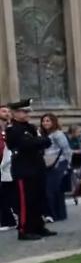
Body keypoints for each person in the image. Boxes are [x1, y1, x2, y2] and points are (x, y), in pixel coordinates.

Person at [6, 100, 55, 241]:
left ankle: (38, 226)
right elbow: (25, 144)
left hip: (37, 168)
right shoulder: (13, 129)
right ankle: (24, 230)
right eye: (24, 111)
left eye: (28, 111)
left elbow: (46, 141)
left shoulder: (31, 127)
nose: (27, 114)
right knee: (25, 202)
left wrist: (37, 141)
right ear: (15, 113)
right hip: (24, 170)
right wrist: (37, 141)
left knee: (37, 199)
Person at [40, 113, 71, 223]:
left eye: (48, 121)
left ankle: (56, 214)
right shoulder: (44, 135)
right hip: (48, 163)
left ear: (53, 122)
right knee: (53, 190)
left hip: (59, 163)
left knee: (53, 189)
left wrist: (67, 165)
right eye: (43, 121)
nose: (45, 123)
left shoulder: (58, 134)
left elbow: (66, 149)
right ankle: (56, 214)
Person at [0, 104, 15, 231]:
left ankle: (9, 219)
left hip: (10, 163)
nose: (6, 113)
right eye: (3, 111)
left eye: (8, 111)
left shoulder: (12, 128)